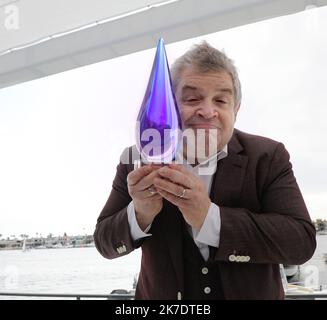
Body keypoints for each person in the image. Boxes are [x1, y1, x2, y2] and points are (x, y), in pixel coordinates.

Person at [93, 41, 316, 300]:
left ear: (236, 110)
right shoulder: (135, 159)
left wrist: (209, 218)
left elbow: (301, 243)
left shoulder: (267, 156)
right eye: (192, 99)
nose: (208, 111)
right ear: (170, 105)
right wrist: (140, 214)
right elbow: (104, 243)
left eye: (221, 100)